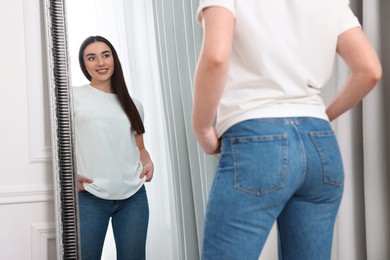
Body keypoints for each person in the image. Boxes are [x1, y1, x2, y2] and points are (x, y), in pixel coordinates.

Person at [192, 1, 381, 260]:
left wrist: (202, 127)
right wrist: (322, 116)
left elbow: (216, 57)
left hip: (256, 137)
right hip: (320, 144)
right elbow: (369, 69)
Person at [73, 35, 154, 260]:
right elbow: (58, 145)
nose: (100, 62)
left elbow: (140, 147)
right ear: (84, 64)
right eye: (92, 57)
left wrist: (147, 161)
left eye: (105, 55)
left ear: (114, 59)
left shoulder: (133, 104)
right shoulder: (73, 96)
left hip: (134, 197)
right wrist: (70, 172)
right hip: (90, 195)